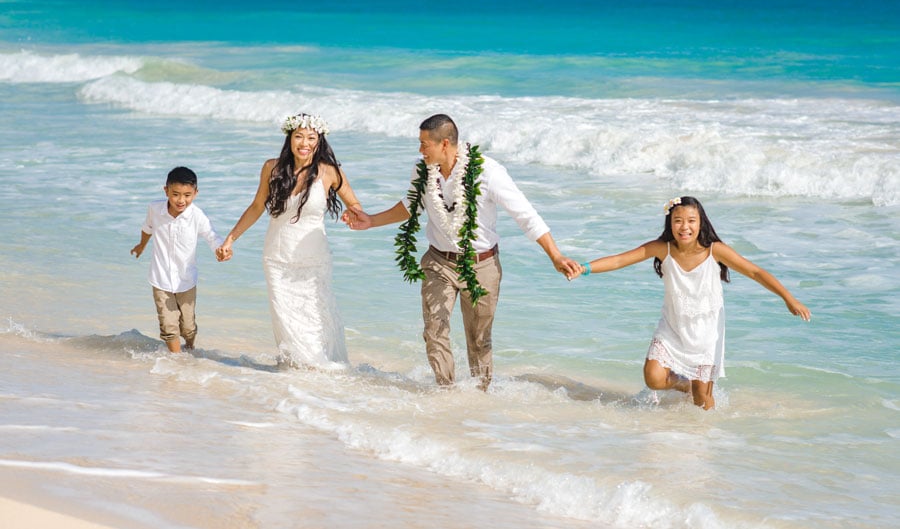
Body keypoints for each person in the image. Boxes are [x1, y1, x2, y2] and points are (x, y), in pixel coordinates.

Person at [344, 113, 581, 390]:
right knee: (435, 331)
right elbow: (411, 204)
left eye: (424, 144)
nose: (420, 150)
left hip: (482, 266)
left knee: (479, 339)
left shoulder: (488, 172)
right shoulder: (423, 170)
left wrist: (555, 255)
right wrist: (371, 220)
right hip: (438, 262)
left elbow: (526, 215)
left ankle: (478, 399)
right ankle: (446, 392)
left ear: (445, 143)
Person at [576, 196, 811, 409]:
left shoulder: (715, 251)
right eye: (678, 221)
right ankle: (682, 384)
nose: (685, 227)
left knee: (702, 401)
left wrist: (789, 299)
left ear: (701, 223)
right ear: (670, 224)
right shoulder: (662, 249)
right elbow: (619, 260)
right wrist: (584, 268)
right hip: (673, 326)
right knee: (654, 378)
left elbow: (755, 272)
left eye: (691, 221)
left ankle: (705, 438)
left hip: (707, 333)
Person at [217, 113, 362, 369]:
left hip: (314, 259)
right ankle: (295, 372)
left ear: (319, 141)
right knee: (285, 317)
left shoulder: (330, 172)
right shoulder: (271, 168)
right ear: (289, 138)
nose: (304, 143)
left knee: (316, 316)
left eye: (310, 138)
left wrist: (354, 216)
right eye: (298, 137)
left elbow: (355, 204)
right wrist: (230, 239)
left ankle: (320, 369)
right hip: (277, 257)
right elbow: (256, 207)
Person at [131, 166, 223, 353]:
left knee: (188, 327)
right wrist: (141, 246)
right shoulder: (155, 209)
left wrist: (220, 249)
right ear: (166, 191)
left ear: (196, 193)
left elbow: (211, 235)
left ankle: (189, 347)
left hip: (186, 280)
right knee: (168, 326)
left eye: (187, 195)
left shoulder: (196, 215)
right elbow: (147, 228)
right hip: (160, 278)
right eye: (175, 194)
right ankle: (178, 362)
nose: (181, 200)